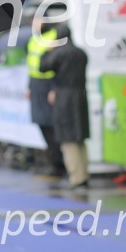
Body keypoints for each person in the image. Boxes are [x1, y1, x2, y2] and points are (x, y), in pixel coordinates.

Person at [39, 24, 90, 190]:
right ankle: (84, 174)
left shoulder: (59, 54)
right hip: (80, 96)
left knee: (67, 138)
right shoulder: (81, 53)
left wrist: (47, 50)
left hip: (64, 99)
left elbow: (43, 67)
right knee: (79, 137)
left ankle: (76, 177)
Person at [26, 17, 65, 177]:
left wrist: (54, 88)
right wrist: (29, 86)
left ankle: (57, 164)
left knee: (50, 125)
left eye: (38, 20)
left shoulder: (54, 36)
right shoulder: (34, 38)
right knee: (41, 123)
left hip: (49, 84)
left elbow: (59, 65)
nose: (34, 23)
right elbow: (31, 64)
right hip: (36, 84)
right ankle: (52, 161)